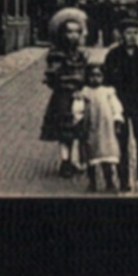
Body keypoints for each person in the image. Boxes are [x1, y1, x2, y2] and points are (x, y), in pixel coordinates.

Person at [101, 16, 138, 191]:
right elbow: (108, 80)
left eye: (135, 33)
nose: (132, 37)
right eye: (128, 33)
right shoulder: (113, 55)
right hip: (121, 104)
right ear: (121, 35)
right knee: (122, 142)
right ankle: (123, 179)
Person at [39, 18, 90, 177]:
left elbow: (85, 73)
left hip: (79, 95)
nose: (73, 36)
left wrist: (83, 86)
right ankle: (65, 161)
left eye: (76, 32)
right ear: (62, 34)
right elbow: (53, 76)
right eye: (69, 32)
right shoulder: (56, 54)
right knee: (64, 129)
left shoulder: (81, 54)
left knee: (78, 128)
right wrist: (68, 85)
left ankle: (74, 160)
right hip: (63, 95)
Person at [80, 63, 125, 194]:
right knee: (91, 155)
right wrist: (79, 120)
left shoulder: (108, 92)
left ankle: (109, 181)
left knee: (106, 155)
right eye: (92, 76)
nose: (95, 79)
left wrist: (117, 120)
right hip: (91, 127)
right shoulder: (85, 92)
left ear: (103, 77)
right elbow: (78, 108)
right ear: (87, 77)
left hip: (106, 128)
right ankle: (92, 182)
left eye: (98, 75)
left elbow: (116, 107)